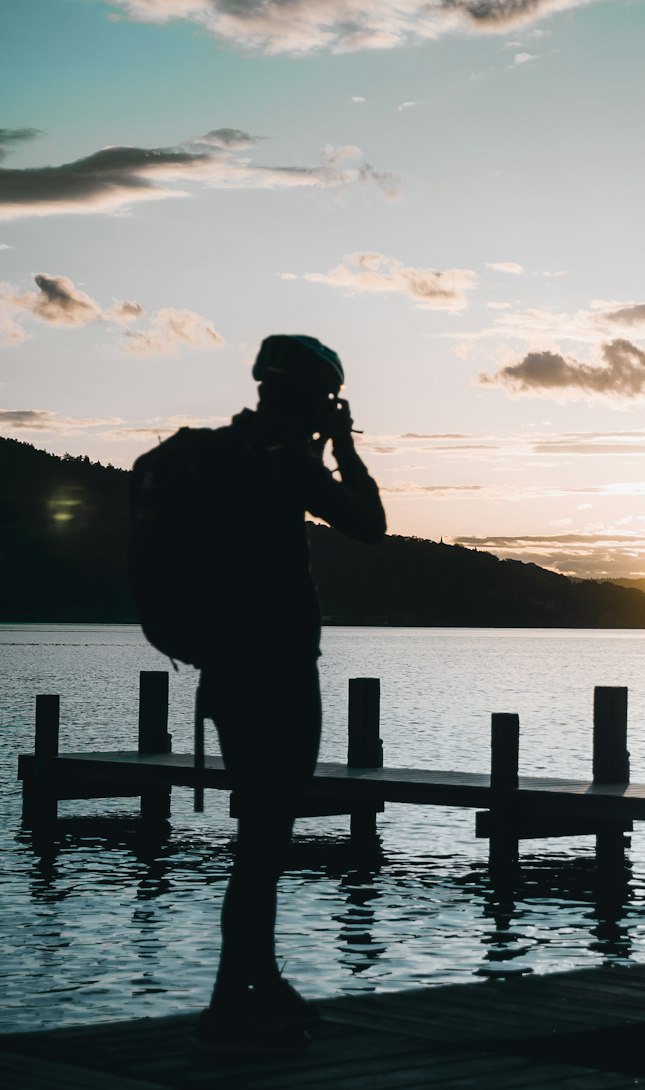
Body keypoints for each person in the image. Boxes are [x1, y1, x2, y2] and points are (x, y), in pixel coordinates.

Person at [136, 335, 385, 1052]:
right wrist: (345, 447)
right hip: (275, 670)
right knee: (264, 841)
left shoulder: (223, 458)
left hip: (224, 669)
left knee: (261, 837)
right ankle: (227, 1007)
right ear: (316, 398)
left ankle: (260, 981)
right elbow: (369, 525)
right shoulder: (285, 461)